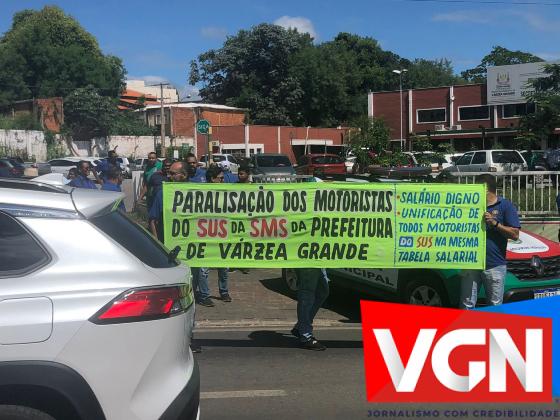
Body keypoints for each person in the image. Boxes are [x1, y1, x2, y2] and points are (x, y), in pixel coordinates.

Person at [460, 174, 520, 309]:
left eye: (476, 187)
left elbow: (515, 234)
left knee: (494, 306)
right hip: (471, 264)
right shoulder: (470, 206)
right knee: (466, 305)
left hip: (494, 265)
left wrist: (495, 224)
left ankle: (492, 329)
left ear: (485, 188)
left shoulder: (505, 206)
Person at [192, 165, 231, 306]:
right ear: (212, 179)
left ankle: (224, 291)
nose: (223, 181)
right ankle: (204, 295)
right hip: (204, 236)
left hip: (222, 234)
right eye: (220, 179)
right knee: (203, 269)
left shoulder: (226, 193)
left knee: (224, 267)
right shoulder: (200, 193)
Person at [148, 161, 188, 242]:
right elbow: (152, 220)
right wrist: (157, 244)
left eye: (173, 174)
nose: (169, 176)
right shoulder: (162, 193)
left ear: (184, 175)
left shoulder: (196, 192)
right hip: (168, 243)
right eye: (169, 173)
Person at [291, 268, 330, 351]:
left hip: (318, 262)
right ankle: (306, 336)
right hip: (309, 262)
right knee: (307, 294)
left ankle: (300, 327)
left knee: (322, 292)